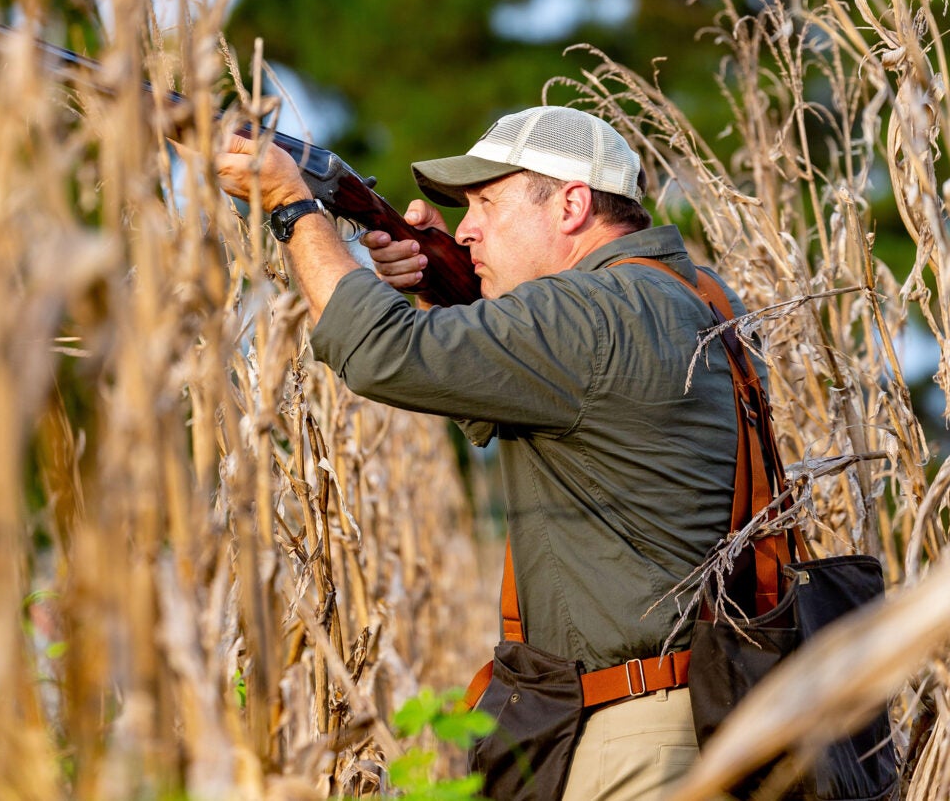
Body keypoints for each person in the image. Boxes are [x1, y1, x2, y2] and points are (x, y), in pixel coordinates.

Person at [216, 105, 747, 800]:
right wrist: (444, 289)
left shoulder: (591, 314)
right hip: (698, 710)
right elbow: (540, 397)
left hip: (634, 741)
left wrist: (293, 208)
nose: (465, 229)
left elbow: (378, 353)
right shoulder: (691, 294)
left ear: (571, 205)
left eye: (488, 203)